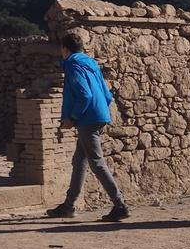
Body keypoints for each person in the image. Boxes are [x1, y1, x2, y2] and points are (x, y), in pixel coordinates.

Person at [46, 32, 130, 221]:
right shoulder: (91, 64)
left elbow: (85, 95)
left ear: (65, 49)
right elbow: (107, 96)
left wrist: (72, 118)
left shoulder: (72, 65)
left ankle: (120, 204)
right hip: (99, 115)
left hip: (87, 119)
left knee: (96, 162)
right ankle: (68, 205)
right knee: (80, 161)